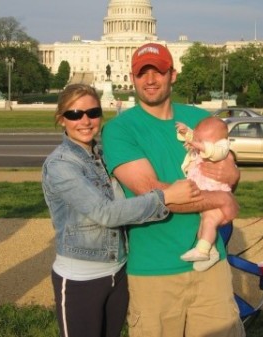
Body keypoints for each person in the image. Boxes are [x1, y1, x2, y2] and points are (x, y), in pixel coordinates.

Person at [102, 43, 245, 337]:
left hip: (210, 268)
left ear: (173, 75)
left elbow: (226, 168)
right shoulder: (120, 129)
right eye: (143, 73)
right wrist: (221, 198)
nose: (150, 80)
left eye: (158, 71)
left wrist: (235, 173)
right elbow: (153, 193)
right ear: (133, 77)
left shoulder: (200, 120)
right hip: (154, 271)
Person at [41, 83, 202, 337]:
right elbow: (105, 213)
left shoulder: (103, 155)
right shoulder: (60, 164)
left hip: (117, 273)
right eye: (74, 114)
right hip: (80, 279)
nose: (85, 121)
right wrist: (166, 196)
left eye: (93, 113)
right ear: (62, 119)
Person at [176, 116, 232, 272]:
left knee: (208, 222)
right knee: (204, 227)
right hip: (207, 197)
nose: (197, 142)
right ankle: (211, 252)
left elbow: (216, 151)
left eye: (202, 140)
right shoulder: (199, 148)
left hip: (217, 198)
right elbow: (195, 139)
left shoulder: (221, 147)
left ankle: (202, 250)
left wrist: (198, 144)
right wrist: (186, 131)